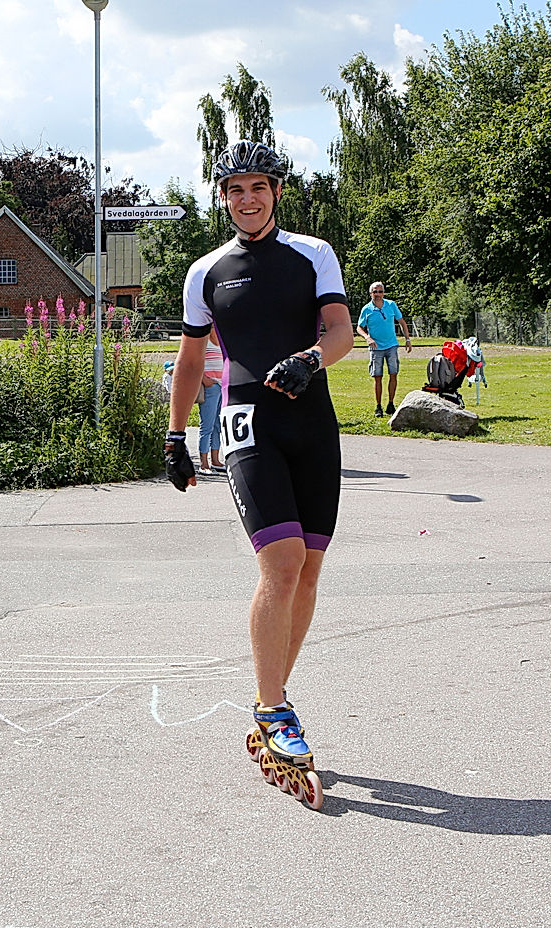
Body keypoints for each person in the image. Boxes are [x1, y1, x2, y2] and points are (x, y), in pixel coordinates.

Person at [163, 140, 352, 807]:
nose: (248, 199)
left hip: (311, 421)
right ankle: (274, 714)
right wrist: (176, 434)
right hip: (247, 424)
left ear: (275, 192)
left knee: (309, 570)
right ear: (222, 198)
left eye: (259, 187)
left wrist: (310, 358)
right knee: (281, 561)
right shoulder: (206, 271)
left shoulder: (313, 253)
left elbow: (339, 330)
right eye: (235, 189)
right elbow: (190, 361)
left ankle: (272, 698)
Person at [356, 281, 412, 416]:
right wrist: (367, 338)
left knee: (393, 374)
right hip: (376, 348)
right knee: (377, 377)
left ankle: (391, 404)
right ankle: (378, 406)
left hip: (391, 345)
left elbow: (402, 322)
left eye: (380, 291)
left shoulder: (391, 305)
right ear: (370, 293)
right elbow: (359, 327)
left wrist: (407, 339)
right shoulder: (367, 309)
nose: (378, 294)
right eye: (375, 292)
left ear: (383, 293)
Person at [197, 332, 225, 473]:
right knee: (206, 426)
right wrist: (204, 379)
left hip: (222, 385)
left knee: (218, 426)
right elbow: (195, 360)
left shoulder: (222, 338)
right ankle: (203, 463)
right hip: (211, 387)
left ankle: (215, 460)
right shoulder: (203, 340)